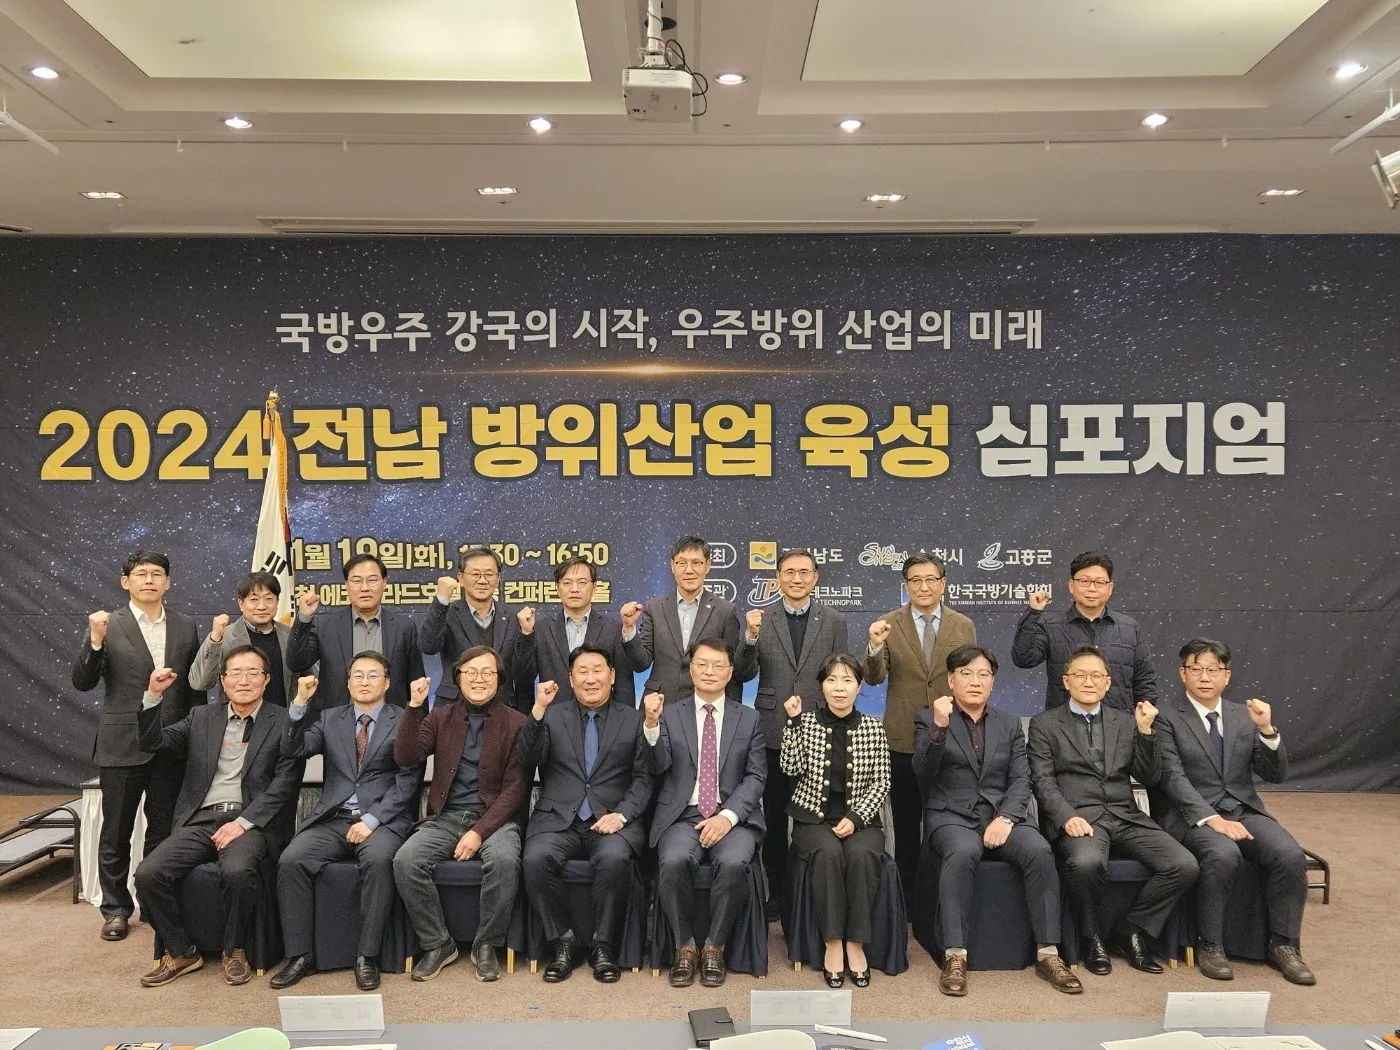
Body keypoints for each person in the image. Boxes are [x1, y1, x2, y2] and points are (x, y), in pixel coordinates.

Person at [912, 645, 1081, 996]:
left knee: (1039, 851)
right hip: (951, 815)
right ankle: (955, 955)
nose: (975, 681)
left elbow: (1021, 778)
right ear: (951, 680)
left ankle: (1048, 953)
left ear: (992, 682)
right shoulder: (929, 719)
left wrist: (1006, 817)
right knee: (962, 852)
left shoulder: (1009, 723)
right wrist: (940, 726)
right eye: (966, 674)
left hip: (1002, 814)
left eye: (983, 674)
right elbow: (923, 771)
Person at [131, 645, 302, 986]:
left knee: (237, 871)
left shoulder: (284, 720)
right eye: (235, 673)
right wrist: (152, 696)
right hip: (201, 818)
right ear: (222, 681)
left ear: (266, 680)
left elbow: (285, 784)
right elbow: (152, 743)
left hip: (251, 821)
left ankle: (234, 949)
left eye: (252, 673)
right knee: (148, 874)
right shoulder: (201, 718)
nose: (244, 680)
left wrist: (243, 823)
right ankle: (182, 951)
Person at [1150, 639, 1315, 985]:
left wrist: (1267, 730)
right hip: (1192, 815)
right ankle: (1211, 945)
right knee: (1223, 854)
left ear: (1227, 676)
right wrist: (1214, 820)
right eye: (1196, 669)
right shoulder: (1165, 716)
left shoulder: (1244, 715)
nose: (1204, 677)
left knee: (1289, 855)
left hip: (1242, 809)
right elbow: (1172, 778)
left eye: (1213, 670)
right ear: (1182, 674)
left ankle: (1284, 945)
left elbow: (1275, 774)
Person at [1027, 646, 1198, 976]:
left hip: (1125, 814)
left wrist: (1146, 734)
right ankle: (1092, 937)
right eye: (1080, 675)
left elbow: (1148, 777)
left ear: (1107, 683)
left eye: (1096, 676)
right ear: (1066, 681)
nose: (1088, 682)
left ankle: (1131, 928)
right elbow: (1042, 782)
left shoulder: (1126, 721)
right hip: (1080, 816)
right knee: (1086, 863)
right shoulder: (1044, 724)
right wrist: (1066, 817)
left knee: (1184, 864)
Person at [72, 550, 206, 942]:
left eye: (157, 574)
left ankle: (153, 901)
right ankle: (115, 910)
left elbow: (194, 687)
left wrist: (195, 733)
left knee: (163, 829)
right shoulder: (107, 624)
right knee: (116, 832)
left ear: (168, 583)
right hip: (123, 742)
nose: (149, 580)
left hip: (171, 742)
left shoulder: (185, 625)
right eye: (141, 574)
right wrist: (95, 642)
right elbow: (83, 681)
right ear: (125, 582)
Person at [270, 654, 424, 991]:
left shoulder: (405, 719)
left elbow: (408, 780)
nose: (364, 681)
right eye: (357, 675)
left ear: (387, 682)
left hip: (383, 819)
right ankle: (300, 955)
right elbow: (293, 749)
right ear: (347, 682)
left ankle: (367, 956)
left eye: (373, 675)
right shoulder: (329, 718)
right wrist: (299, 703)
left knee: (379, 861)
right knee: (292, 860)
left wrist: (372, 819)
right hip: (334, 817)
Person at [517, 643, 653, 983]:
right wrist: (538, 709)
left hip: (611, 818)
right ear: (570, 678)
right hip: (557, 818)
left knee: (614, 859)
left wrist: (622, 815)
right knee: (535, 859)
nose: (590, 679)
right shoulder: (552, 715)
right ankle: (563, 941)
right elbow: (528, 758)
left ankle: (603, 945)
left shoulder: (634, 719)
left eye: (597, 671)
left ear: (612, 676)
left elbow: (644, 778)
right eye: (582, 672)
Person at [392, 645, 527, 982]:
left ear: (499, 679)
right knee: (406, 861)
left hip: (495, 819)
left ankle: (487, 944)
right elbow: (406, 756)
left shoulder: (517, 722)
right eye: (471, 673)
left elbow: (515, 789)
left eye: (487, 673)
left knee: (505, 861)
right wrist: (414, 707)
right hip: (446, 816)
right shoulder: (440, 717)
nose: (479, 679)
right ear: (458, 678)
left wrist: (479, 832)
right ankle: (438, 943)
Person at [737, 548, 851, 922]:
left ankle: (810, 891)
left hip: (819, 729)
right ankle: (778, 891)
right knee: (773, 816)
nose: (797, 579)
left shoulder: (833, 620)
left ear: (815, 577)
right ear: (777, 578)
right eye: (789, 572)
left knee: (814, 815)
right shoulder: (761, 619)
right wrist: (749, 637)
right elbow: (743, 672)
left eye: (804, 572)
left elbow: (841, 673)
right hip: (772, 727)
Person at [645, 639, 766, 988]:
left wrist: (727, 817)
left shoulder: (749, 718)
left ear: (730, 673)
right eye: (702, 664)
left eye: (718, 665)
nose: (709, 671)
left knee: (733, 863)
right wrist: (651, 726)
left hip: (733, 818)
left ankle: (714, 946)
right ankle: (684, 946)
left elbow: (756, 777)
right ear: (691, 669)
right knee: (673, 862)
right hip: (682, 816)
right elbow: (657, 766)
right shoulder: (670, 714)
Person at [861, 551, 976, 904]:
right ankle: (909, 901)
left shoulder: (963, 625)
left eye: (930, 580)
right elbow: (873, 678)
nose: (923, 587)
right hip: (902, 738)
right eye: (915, 580)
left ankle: (942, 896)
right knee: (907, 823)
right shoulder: (887, 623)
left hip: (950, 735)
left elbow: (969, 676)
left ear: (943, 583)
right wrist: (874, 646)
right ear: (906, 585)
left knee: (947, 820)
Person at [780, 653, 889, 988]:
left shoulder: (873, 728)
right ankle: (832, 943)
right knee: (827, 854)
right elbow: (790, 768)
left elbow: (882, 782)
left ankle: (855, 943)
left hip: (861, 820)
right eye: (831, 680)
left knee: (861, 854)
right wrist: (793, 723)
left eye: (847, 680)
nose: (839, 688)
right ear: (821, 686)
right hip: (813, 820)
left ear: (859, 686)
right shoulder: (806, 722)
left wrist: (856, 817)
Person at [1012, 551, 1158, 712]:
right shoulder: (1050, 625)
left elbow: (1145, 681)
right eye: (1084, 581)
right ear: (1071, 585)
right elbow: (1024, 659)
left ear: (1110, 588)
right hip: (1064, 723)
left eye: (1099, 582)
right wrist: (1033, 613)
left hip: (1118, 723)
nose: (1092, 588)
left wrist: (1142, 716)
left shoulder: (1129, 628)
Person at [287, 553, 424, 713]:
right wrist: (304, 618)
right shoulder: (325, 625)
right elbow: (296, 663)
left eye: (372, 580)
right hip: (335, 720)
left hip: (390, 721)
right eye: (357, 581)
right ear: (346, 584)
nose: (364, 588)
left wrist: (418, 722)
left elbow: (417, 682)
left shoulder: (404, 627)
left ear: (384, 583)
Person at [621, 536, 743, 705]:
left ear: (708, 565)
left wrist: (732, 710)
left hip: (705, 705)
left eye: (696, 563)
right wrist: (629, 628)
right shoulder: (654, 608)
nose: (689, 570)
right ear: (672, 566)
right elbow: (641, 663)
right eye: (681, 563)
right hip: (661, 704)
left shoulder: (725, 611)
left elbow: (732, 668)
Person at [421, 546, 536, 712]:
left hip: (503, 709)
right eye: (475, 574)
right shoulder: (446, 613)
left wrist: (526, 634)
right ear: (460, 578)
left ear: (498, 578)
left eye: (489, 574)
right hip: (454, 709)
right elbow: (428, 646)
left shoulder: (514, 617)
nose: (482, 581)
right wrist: (441, 599)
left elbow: (523, 674)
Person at [520, 555, 635, 709]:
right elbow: (523, 677)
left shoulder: (613, 629)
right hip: (554, 718)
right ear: (557, 588)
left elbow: (624, 687)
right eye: (567, 583)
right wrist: (526, 635)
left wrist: (624, 720)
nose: (574, 589)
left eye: (582, 582)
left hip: (601, 718)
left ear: (594, 587)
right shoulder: (541, 629)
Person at [189, 571, 296, 706]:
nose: (262, 606)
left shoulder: (290, 635)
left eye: (268, 599)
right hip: (240, 716)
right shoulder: (225, 636)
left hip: (284, 715)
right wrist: (215, 638)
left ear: (277, 601)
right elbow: (200, 683)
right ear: (241, 603)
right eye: (254, 600)